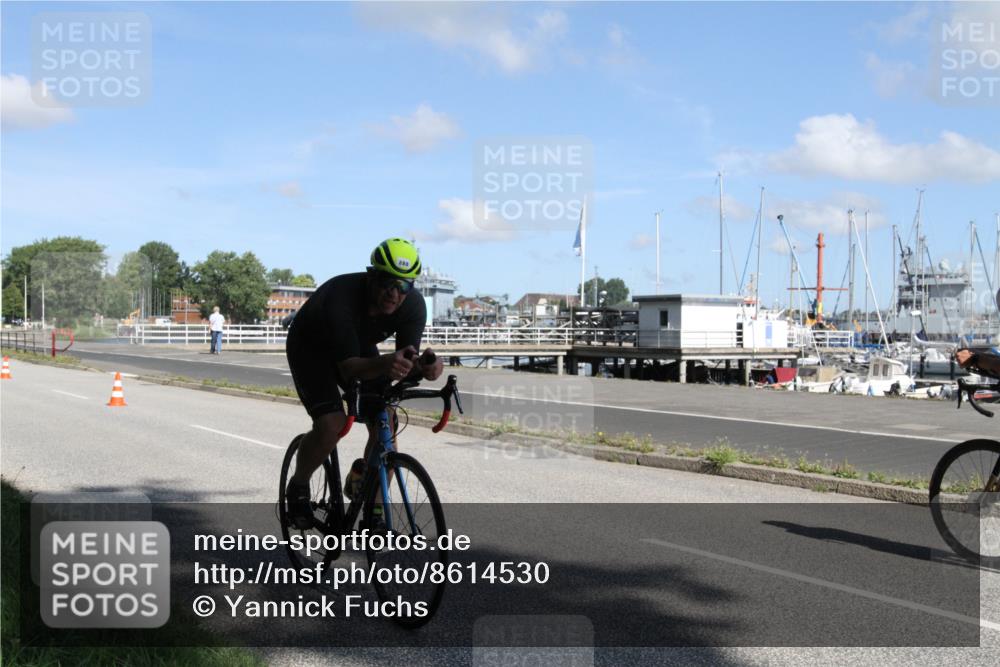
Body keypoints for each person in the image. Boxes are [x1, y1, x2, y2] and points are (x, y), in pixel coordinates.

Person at [284, 238, 444, 529]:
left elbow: (406, 360)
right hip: (311, 349)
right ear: (372, 275)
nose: (394, 293)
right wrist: (385, 364)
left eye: (404, 286)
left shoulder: (412, 306)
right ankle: (297, 486)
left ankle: (373, 505)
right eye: (387, 282)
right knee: (332, 425)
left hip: (356, 348)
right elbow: (348, 369)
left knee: (387, 419)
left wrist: (424, 367)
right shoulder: (341, 295)